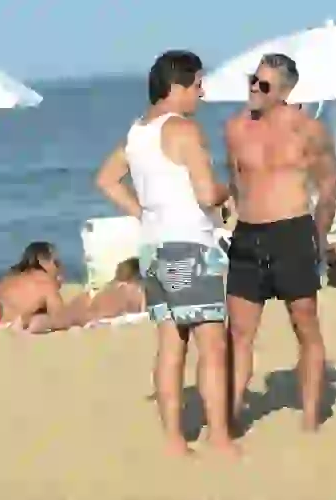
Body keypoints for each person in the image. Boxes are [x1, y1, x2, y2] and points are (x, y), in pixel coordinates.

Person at [95, 50, 236, 456]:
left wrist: (143, 213)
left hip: (154, 248)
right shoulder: (184, 130)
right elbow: (207, 194)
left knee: (171, 345)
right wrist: (230, 190)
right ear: (177, 86)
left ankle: (174, 440)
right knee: (212, 345)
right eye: (198, 85)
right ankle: (219, 438)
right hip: (190, 245)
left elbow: (106, 180)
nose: (202, 93)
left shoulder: (137, 132)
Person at [224, 53, 336, 432]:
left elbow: (328, 187)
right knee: (239, 334)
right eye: (252, 80)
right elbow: (234, 180)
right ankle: (230, 419)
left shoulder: (309, 130)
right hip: (248, 234)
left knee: (305, 327)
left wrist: (319, 237)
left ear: (285, 91)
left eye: (264, 85)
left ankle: (310, 420)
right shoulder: (235, 128)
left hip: (293, 233)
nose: (254, 89)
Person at [20, 258, 145, 334]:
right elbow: (139, 310)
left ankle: (27, 320)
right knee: (63, 320)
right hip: (95, 310)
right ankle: (33, 322)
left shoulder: (111, 286)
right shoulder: (132, 290)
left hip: (90, 296)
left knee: (62, 317)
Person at [0, 242, 64, 328]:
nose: (59, 267)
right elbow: (59, 319)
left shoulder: (12, 274)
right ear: (42, 261)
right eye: (56, 262)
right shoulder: (47, 285)